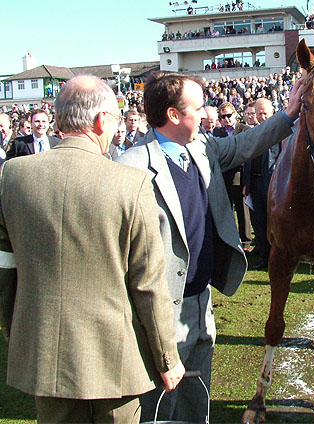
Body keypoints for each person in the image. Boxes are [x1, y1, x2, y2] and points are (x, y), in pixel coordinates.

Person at [116, 72, 303, 423]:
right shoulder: (131, 167)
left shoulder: (202, 147)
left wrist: (288, 114)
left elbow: (246, 144)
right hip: (160, 312)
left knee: (195, 401)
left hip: (201, 301)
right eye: (199, 107)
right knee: (161, 406)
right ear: (174, 115)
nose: (206, 113)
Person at [0, 75, 184, 423]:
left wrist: (19, 332)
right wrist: (168, 358)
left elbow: (5, 270)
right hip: (115, 357)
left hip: (44, 352)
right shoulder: (131, 183)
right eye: (115, 119)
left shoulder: (12, 176)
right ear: (101, 120)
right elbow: (148, 283)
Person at [243, 98, 278, 270]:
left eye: (265, 113)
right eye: (259, 113)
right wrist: (246, 184)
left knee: (274, 222)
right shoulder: (253, 132)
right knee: (259, 221)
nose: (262, 116)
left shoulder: (281, 132)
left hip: (274, 184)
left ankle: (277, 257)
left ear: (272, 112)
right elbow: (247, 160)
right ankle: (264, 256)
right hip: (255, 184)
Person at [213, 102, 252, 252]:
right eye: (223, 117)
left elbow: (248, 154)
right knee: (226, 211)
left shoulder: (244, 129)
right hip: (224, 178)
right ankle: (229, 239)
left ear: (235, 114)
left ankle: (246, 242)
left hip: (240, 176)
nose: (226, 119)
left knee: (243, 211)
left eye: (229, 115)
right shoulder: (217, 132)